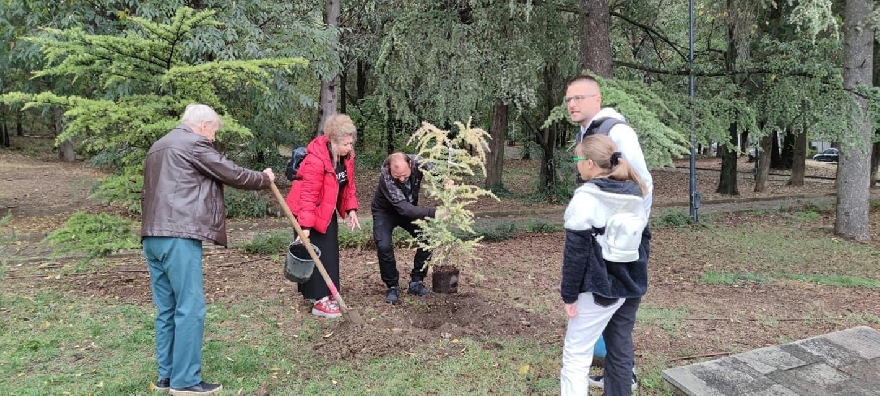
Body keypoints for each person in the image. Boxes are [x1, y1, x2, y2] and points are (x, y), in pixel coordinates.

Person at [141, 104, 275, 395]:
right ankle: (186, 382)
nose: (213, 139)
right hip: (179, 234)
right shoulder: (193, 144)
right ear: (203, 126)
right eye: (214, 132)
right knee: (190, 307)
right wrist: (264, 179)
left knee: (167, 308)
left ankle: (167, 376)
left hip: (152, 235)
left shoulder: (159, 145)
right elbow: (232, 173)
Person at [566, 74, 653, 391]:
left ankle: (620, 381)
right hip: (605, 250)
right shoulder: (589, 132)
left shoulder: (617, 131)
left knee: (616, 328)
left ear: (596, 100)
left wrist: (630, 234)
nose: (572, 104)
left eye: (579, 97)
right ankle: (617, 380)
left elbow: (644, 183)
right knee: (616, 326)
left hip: (620, 252)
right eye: (568, 99)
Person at [285, 114, 360, 318]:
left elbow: (347, 185)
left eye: (351, 143)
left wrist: (350, 209)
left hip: (325, 210)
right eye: (345, 144)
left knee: (330, 253)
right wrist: (305, 228)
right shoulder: (316, 159)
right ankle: (319, 301)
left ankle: (329, 294)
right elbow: (307, 195)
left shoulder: (346, 158)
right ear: (333, 141)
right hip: (306, 210)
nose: (349, 148)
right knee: (314, 253)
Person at [372, 152, 446, 304]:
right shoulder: (386, 177)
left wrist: (445, 180)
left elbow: (434, 170)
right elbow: (405, 209)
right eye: (397, 175)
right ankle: (392, 286)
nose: (401, 179)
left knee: (426, 238)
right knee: (383, 245)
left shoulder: (418, 161)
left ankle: (416, 282)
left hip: (409, 207)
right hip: (385, 212)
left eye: (405, 175)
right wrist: (434, 213)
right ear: (390, 168)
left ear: (411, 165)